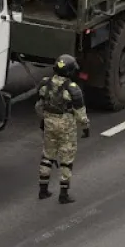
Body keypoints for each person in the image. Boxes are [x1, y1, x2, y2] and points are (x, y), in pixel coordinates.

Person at [35, 54, 90, 204]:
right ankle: (63, 194)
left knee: (47, 156)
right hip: (66, 127)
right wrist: (86, 128)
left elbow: (38, 106)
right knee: (66, 160)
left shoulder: (45, 84)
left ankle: (43, 190)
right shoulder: (73, 89)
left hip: (49, 123)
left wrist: (43, 120)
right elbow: (80, 114)